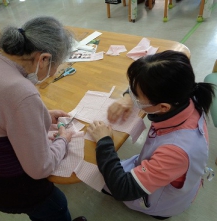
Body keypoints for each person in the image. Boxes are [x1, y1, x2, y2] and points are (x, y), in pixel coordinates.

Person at [0, 16, 86, 221]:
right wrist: (63, 139)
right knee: (56, 205)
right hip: (3, 179)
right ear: (43, 59)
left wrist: (43, 115)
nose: (54, 72)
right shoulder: (22, 92)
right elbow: (40, 168)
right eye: (57, 65)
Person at [87, 50, 215, 219]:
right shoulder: (184, 94)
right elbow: (147, 81)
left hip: (163, 201)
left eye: (137, 97)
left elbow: (122, 189)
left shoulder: (176, 151)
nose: (135, 98)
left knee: (102, 177)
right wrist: (128, 97)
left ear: (163, 107)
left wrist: (104, 141)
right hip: (171, 171)